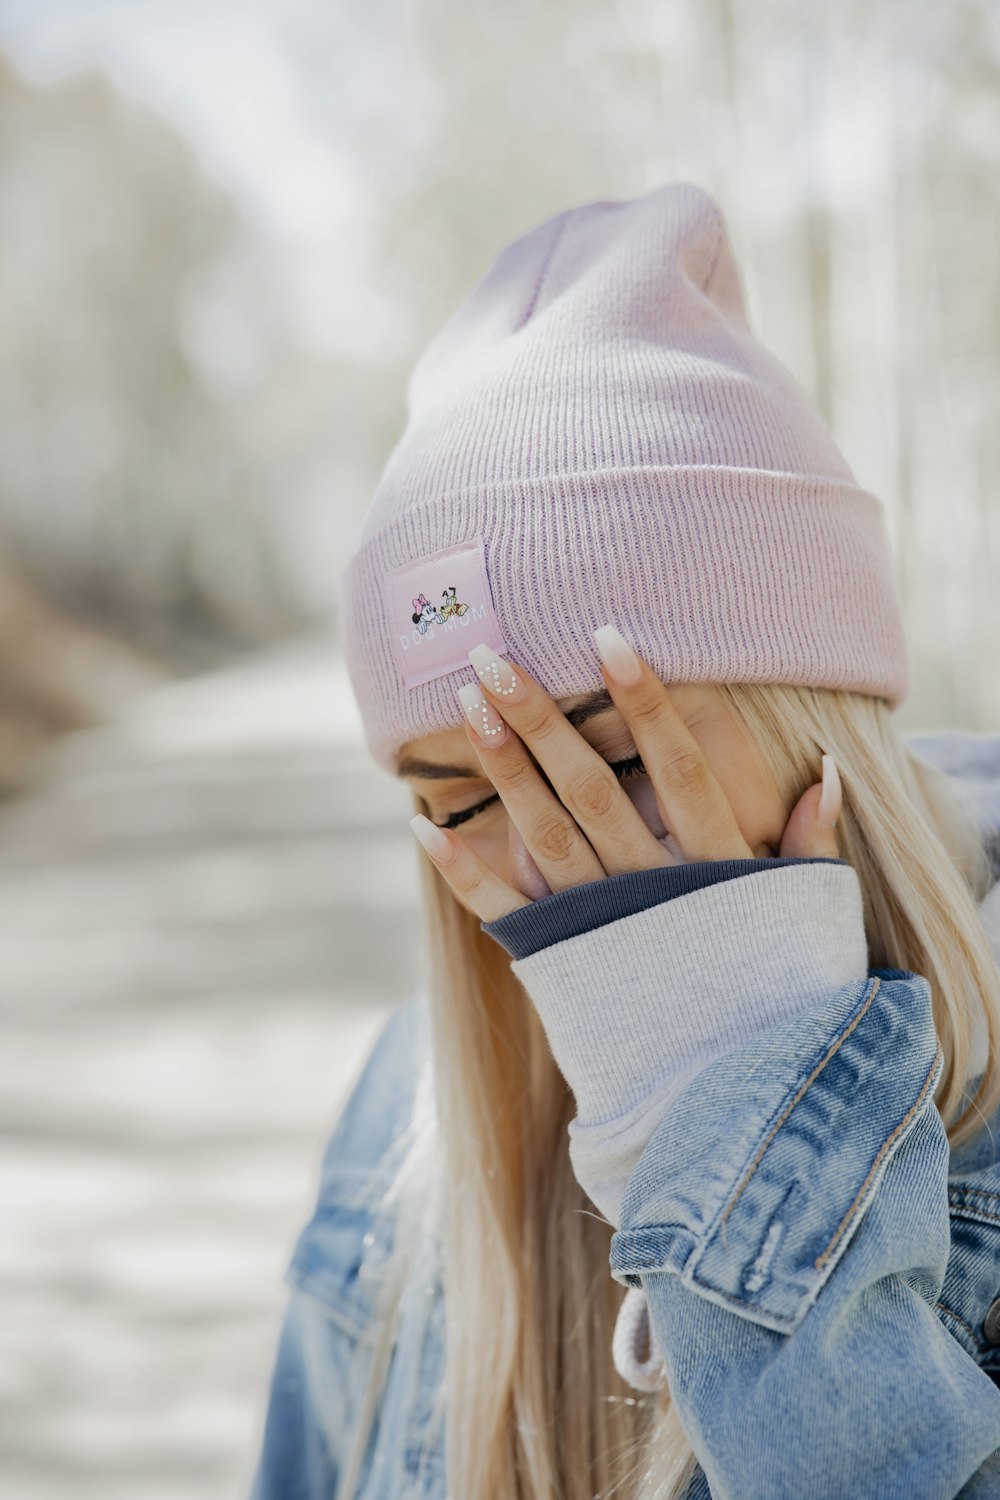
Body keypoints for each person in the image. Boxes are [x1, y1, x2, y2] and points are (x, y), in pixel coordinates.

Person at [248, 181, 1000, 1499]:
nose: (544, 852)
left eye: (606, 758)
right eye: (459, 799)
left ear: (813, 713)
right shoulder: (401, 1107)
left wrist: (745, 1104)